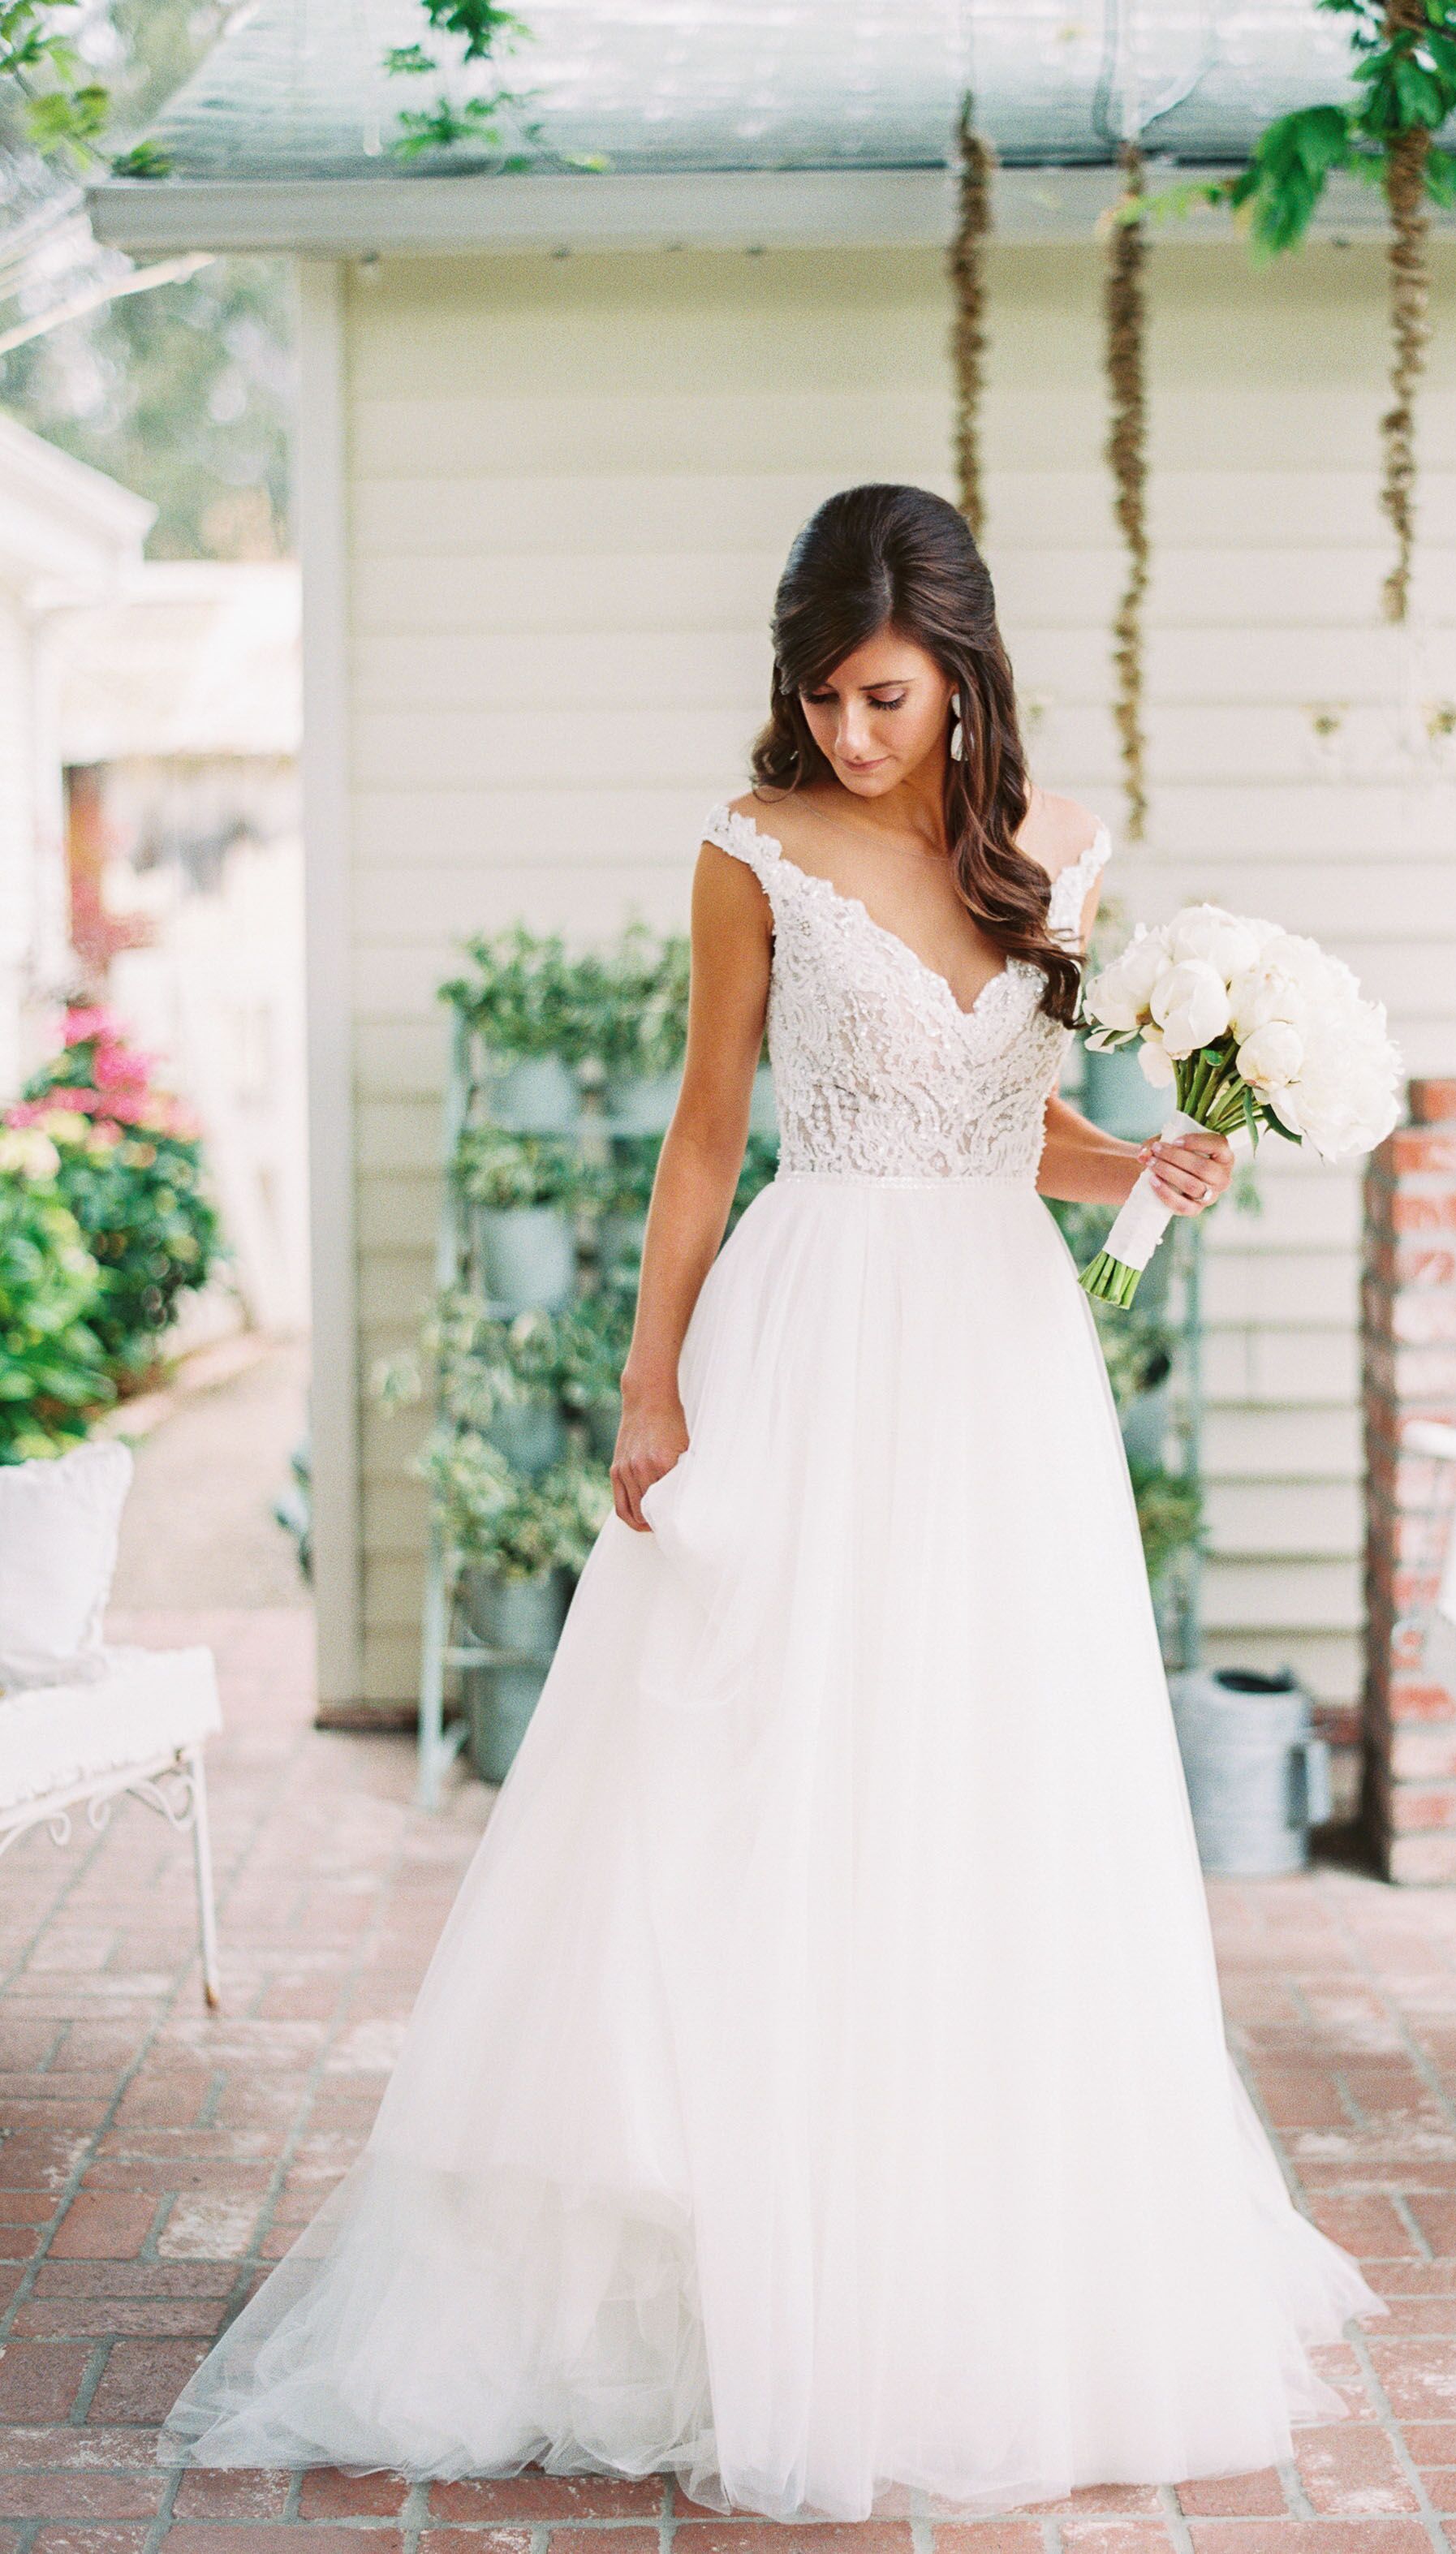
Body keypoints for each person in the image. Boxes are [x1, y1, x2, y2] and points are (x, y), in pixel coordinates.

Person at [159, 483, 1381, 2518]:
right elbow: (711, 1129)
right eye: (821, 695)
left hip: (996, 1366)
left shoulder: (1057, 853)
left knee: (989, 1787)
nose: (850, 733)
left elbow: (1015, 1130)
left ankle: (967, 2263)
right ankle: (722, 2254)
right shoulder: (753, 850)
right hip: (810, 1342)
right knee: (764, 1767)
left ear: (961, 671)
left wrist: (1142, 1166)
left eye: (887, 695)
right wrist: (651, 1380)